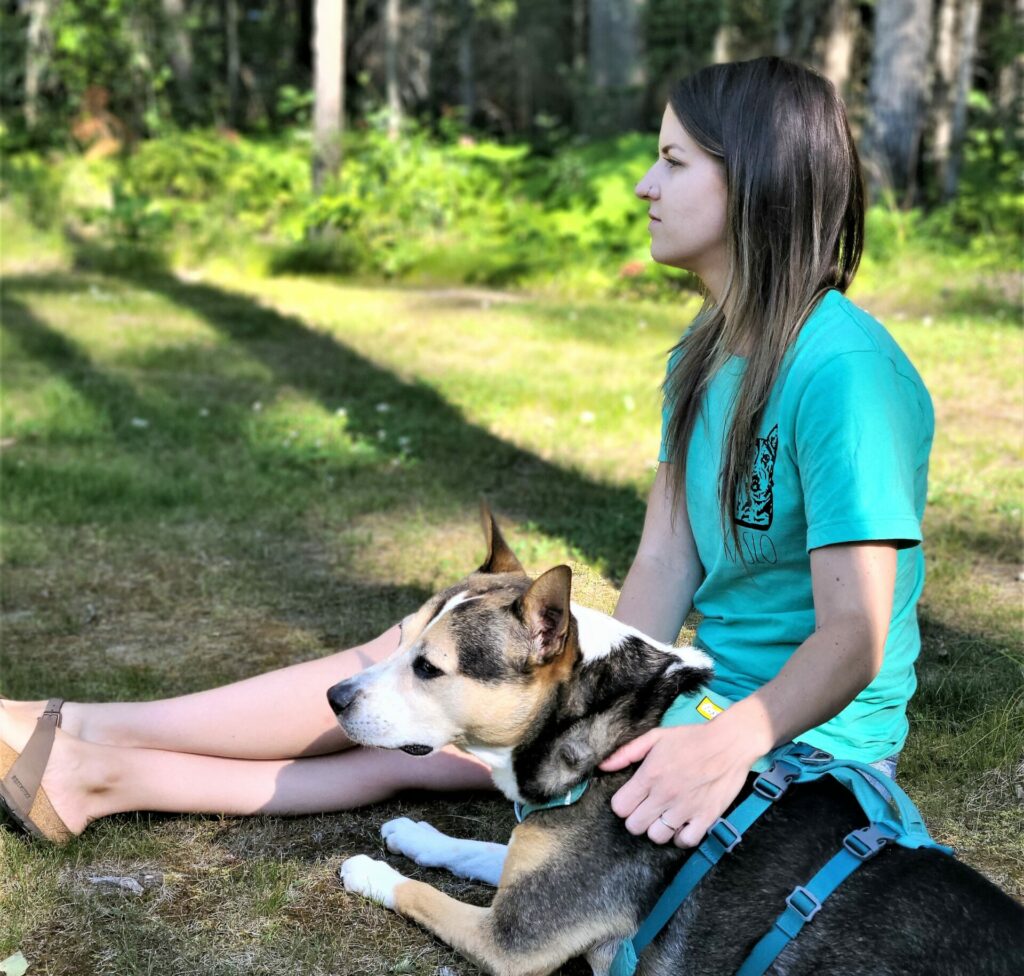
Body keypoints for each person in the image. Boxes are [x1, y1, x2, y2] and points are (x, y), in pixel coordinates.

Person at [1, 57, 932, 851]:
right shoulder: (708, 350)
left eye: (673, 161)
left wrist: (722, 746)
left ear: (755, 184)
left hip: (804, 742)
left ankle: (90, 764)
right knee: (417, 662)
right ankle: (76, 741)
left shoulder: (843, 374)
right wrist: (580, 698)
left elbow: (853, 638)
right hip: (697, 696)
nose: (646, 185)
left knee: (413, 720)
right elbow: (665, 560)